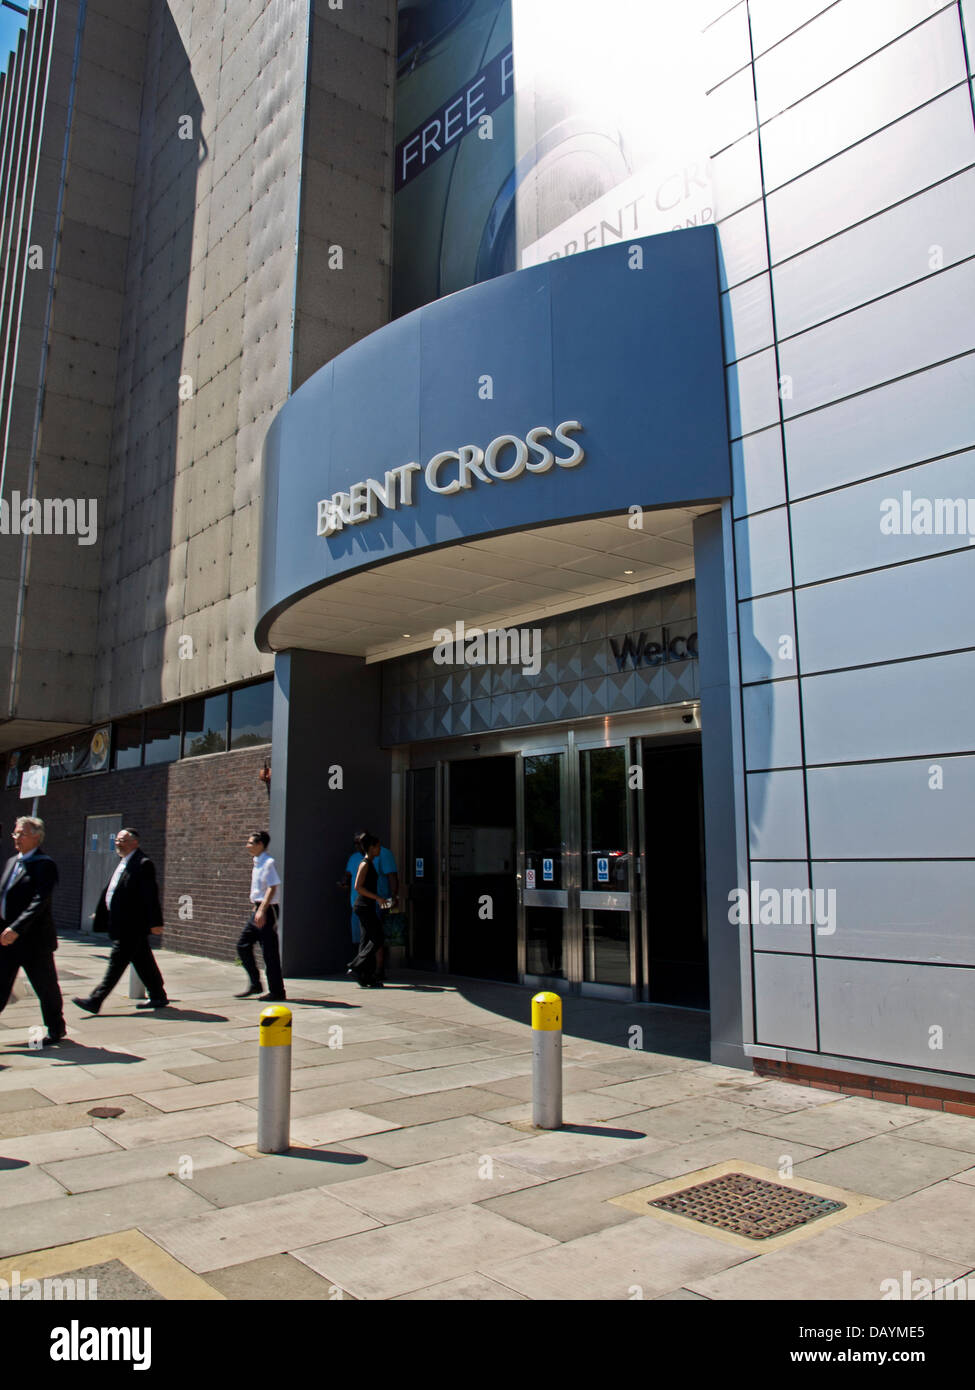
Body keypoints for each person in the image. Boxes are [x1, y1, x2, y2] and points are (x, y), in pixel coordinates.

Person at [73, 828, 168, 1014]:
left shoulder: (143, 863)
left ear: (135, 842)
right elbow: (114, 890)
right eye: (117, 840)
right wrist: (105, 912)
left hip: (132, 924)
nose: (118, 843)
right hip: (123, 922)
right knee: (143, 960)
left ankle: (95, 1000)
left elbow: (150, 895)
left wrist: (155, 922)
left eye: (122, 840)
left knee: (116, 963)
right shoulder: (124, 862)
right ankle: (158, 995)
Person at [0, 817, 66, 1045]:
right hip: (7, 940)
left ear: (36, 837)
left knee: (45, 987)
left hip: (34, 941)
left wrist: (16, 928)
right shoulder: (11, 862)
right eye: (15, 833)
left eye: (21, 834)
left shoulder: (44, 864)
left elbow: (39, 902)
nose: (16, 838)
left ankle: (56, 1028)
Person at [235, 831, 285, 1001]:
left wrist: (262, 910)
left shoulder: (268, 863)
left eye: (250, 843)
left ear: (260, 844)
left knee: (269, 951)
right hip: (258, 909)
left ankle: (277, 991)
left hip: (267, 910)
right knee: (243, 945)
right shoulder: (257, 862)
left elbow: (273, 887)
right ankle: (255, 983)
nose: (247, 846)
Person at [346, 832, 390, 988]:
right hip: (363, 906)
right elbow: (358, 886)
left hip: (367, 906)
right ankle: (356, 966)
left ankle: (365, 977)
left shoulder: (370, 863)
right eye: (378, 846)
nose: (379, 849)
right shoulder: (365, 863)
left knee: (366, 941)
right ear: (371, 847)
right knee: (378, 937)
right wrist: (377, 898)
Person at [342, 834, 398, 947]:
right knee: (367, 941)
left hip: (376, 905)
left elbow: (392, 876)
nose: (359, 846)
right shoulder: (362, 861)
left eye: (361, 843)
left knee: (374, 940)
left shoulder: (381, 856)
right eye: (357, 844)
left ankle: (367, 963)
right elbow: (354, 883)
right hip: (363, 906)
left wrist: (392, 897)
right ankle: (359, 963)